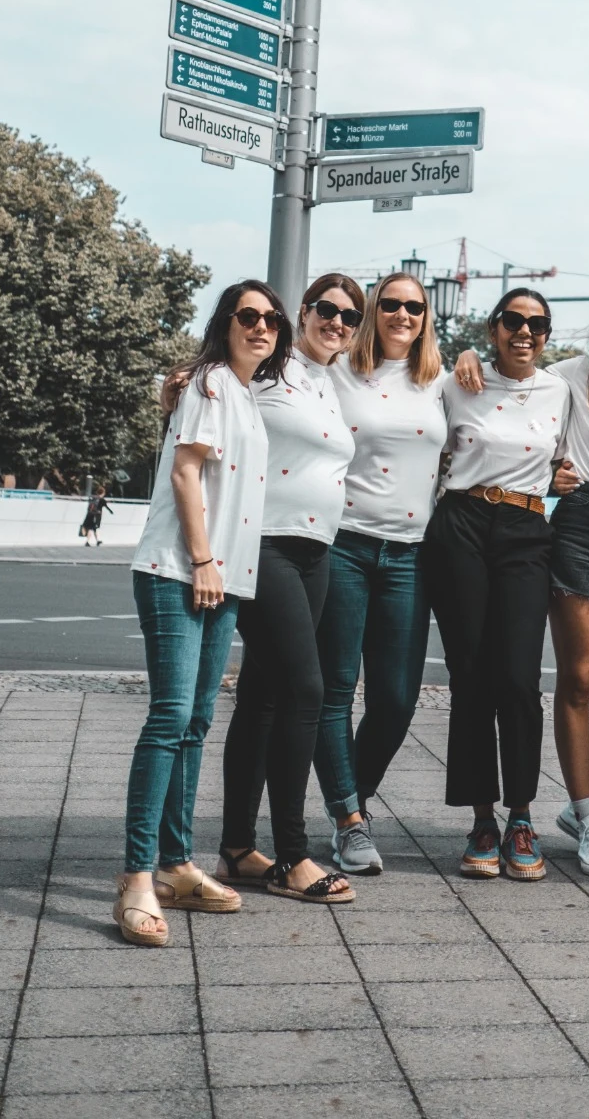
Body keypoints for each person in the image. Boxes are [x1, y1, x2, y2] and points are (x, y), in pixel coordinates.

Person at [455, 289, 589, 876]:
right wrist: (469, 354)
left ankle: (584, 805)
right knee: (575, 680)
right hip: (582, 525)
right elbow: (512, 381)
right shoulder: (571, 376)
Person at [114, 280, 285, 946]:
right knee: (169, 718)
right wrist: (205, 557)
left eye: (272, 319)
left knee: (196, 723)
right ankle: (134, 878)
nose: (262, 327)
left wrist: (222, 570)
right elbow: (186, 473)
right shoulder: (211, 382)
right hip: (179, 570)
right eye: (248, 316)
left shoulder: (244, 394)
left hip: (221, 578)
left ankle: (177, 866)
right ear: (226, 323)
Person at [217, 273, 362, 906]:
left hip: (315, 550)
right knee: (308, 688)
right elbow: (217, 378)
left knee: (264, 695)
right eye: (326, 310)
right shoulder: (269, 367)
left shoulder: (332, 383)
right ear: (299, 314)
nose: (337, 322)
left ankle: (238, 848)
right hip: (266, 541)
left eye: (348, 316)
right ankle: (293, 856)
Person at [422, 288, 573, 881]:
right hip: (461, 523)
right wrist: (460, 354)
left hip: (526, 526)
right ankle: (483, 818)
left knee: (518, 676)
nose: (525, 332)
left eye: (537, 324)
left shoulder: (560, 389)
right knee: (470, 674)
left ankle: (521, 815)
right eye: (513, 321)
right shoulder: (457, 380)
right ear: (494, 327)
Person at [315, 273, 448, 875]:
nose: (402, 314)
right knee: (336, 691)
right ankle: (349, 821)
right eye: (390, 304)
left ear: (426, 316)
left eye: (413, 306)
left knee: (395, 700)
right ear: (373, 312)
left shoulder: (442, 382)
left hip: (410, 554)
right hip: (343, 545)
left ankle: (353, 800)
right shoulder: (337, 372)